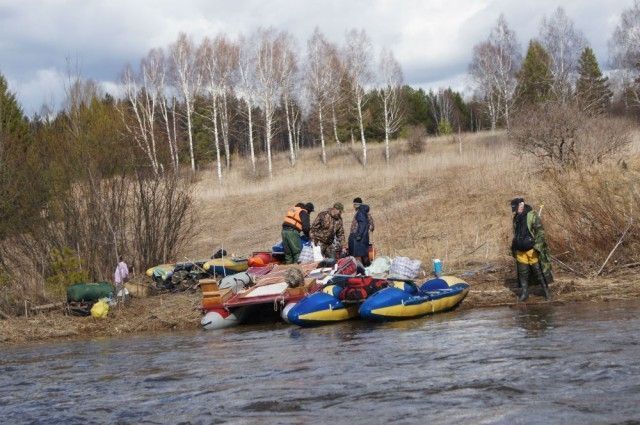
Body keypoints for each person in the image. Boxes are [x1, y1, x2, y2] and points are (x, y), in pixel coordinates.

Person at [510, 197, 552, 301]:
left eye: (517, 208)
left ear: (522, 204)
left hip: (532, 249)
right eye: (514, 209)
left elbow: (540, 232)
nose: (516, 211)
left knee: (539, 272)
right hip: (520, 250)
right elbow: (515, 233)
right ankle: (524, 293)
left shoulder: (532, 215)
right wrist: (514, 247)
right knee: (523, 273)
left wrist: (538, 246)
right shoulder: (516, 218)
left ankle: (546, 292)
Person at [348, 197, 375, 266]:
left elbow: (366, 226)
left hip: (358, 237)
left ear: (356, 205)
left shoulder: (360, 213)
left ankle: (362, 270)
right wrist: (367, 232)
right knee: (364, 254)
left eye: (354, 205)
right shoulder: (366, 213)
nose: (353, 206)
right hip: (364, 237)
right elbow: (372, 226)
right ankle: (368, 269)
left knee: (358, 255)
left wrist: (359, 234)